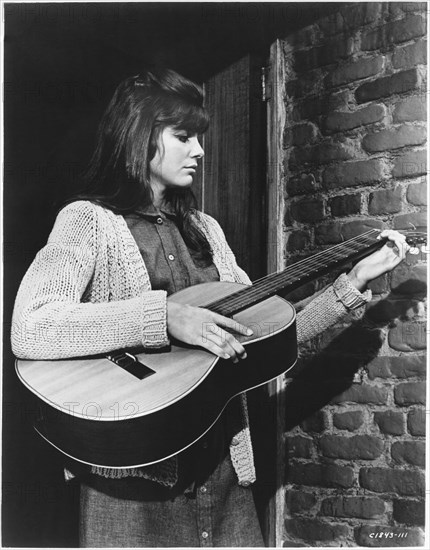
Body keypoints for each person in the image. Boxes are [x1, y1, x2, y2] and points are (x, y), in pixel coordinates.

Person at [11, 68, 409, 547]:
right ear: (138, 136)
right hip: (130, 486)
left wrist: (353, 282)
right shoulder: (87, 222)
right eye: (183, 136)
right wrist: (164, 317)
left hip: (221, 474)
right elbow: (31, 327)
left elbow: (268, 338)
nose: (199, 151)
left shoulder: (206, 230)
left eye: (199, 138)